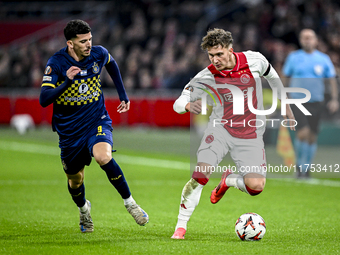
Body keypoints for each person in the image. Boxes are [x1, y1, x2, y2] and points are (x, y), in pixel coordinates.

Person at [171, 28, 295, 239]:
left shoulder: (254, 60)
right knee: (201, 174)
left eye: (219, 54)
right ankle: (180, 227)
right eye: (211, 55)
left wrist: (286, 105)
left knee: (256, 187)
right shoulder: (207, 75)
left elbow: (273, 78)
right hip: (220, 131)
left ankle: (227, 181)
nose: (215, 59)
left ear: (230, 49)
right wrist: (187, 106)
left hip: (250, 133)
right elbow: (178, 102)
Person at [39, 19, 149, 233]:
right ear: (70, 44)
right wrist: (66, 83)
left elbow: (112, 64)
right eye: (83, 42)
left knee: (103, 156)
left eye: (90, 39)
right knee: (75, 180)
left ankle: (130, 203)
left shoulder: (98, 53)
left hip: (96, 119)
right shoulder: (57, 63)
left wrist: (122, 95)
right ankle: (84, 210)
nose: (89, 45)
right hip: (69, 130)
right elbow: (44, 99)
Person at [282, 28, 339, 178]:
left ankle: (306, 169)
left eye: (310, 37)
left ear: (315, 40)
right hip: (297, 101)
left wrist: (334, 99)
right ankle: (300, 167)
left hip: (316, 101)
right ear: (301, 40)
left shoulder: (323, 59)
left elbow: (332, 79)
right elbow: (285, 77)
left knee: (312, 135)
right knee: (303, 132)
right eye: (304, 37)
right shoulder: (293, 58)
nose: (307, 40)